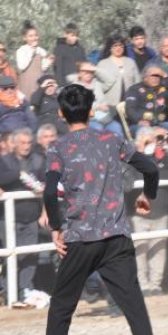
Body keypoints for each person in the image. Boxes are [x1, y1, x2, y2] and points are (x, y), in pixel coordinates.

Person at [43, 84, 157, 334]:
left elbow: (50, 192)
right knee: (135, 308)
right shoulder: (112, 140)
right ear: (91, 112)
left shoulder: (58, 148)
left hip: (80, 240)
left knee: (61, 308)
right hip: (116, 239)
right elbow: (150, 168)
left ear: (61, 114)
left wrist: (55, 228)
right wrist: (148, 195)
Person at [0, 128, 45, 297]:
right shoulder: (4, 161)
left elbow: (45, 182)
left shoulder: (39, 160)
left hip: (32, 215)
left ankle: (25, 289)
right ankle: (8, 290)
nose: (26, 146)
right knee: (10, 255)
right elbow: (2, 178)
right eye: (22, 143)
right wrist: (19, 175)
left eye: (29, 143)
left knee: (30, 255)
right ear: (15, 144)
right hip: (9, 217)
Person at [130, 126, 168, 296]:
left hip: (161, 211)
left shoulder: (163, 157)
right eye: (147, 141)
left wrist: (160, 151)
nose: (151, 144)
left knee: (159, 249)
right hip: (139, 214)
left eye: (153, 140)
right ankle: (143, 285)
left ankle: (156, 285)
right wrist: (140, 152)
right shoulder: (131, 158)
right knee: (140, 250)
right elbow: (132, 175)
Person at [124, 65, 168, 137]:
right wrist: (139, 120)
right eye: (153, 76)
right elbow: (130, 109)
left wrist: (165, 76)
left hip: (159, 123)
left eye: (158, 76)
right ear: (145, 77)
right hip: (140, 124)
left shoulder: (162, 89)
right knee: (146, 131)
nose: (156, 78)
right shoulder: (135, 89)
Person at [72, 62, 124, 137]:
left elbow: (111, 80)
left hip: (105, 118)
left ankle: (119, 148)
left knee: (116, 127)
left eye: (90, 71)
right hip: (88, 120)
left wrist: (95, 69)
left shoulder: (97, 84)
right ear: (79, 73)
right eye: (85, 71)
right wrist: (98, 106)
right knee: (98, 130)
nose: (88, 73)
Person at [96, 35, 142, 107]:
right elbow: (97, 87)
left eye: (121, 45)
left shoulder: (130, 62)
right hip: (110, 105)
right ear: (110, 48)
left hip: (130, 104)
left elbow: (138, 82)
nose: (118, 48)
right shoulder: (102, 64)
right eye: (115, 46)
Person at [16, 21, 54, 99]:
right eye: (30, 36)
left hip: (38, 85)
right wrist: (32, 52)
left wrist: (49, 61)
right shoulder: (21, 50)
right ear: (24, 38)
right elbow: (22, 66)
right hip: (26, 85)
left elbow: (42, 69)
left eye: (36, 35)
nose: (34, 38)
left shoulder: (41, 50)